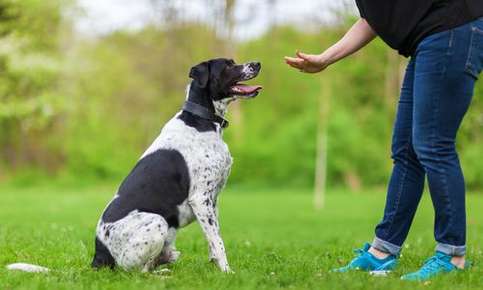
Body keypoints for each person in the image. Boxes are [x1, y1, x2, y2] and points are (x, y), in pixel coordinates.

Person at [285, 0, 483, 281]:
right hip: (431, 40)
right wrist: (326, 58)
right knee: (406, 150)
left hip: (452, 30)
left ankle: (452, 254)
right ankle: (383, 251)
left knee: (433, 145)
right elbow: (373, 20)